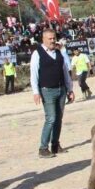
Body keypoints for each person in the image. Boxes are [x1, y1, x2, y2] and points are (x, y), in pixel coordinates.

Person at [30, 29, 74, 158]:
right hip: (47, 90)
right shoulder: (37, 53)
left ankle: (55, 144)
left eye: (54, 38)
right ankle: (43, 148)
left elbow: (65, 71)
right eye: (49, 38)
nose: (52, 40)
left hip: (61, 89)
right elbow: (34, 74)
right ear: (43, 39)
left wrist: (70, 89)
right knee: (51, 118)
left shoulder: (59, 52)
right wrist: (36, 92)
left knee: (58, 119)